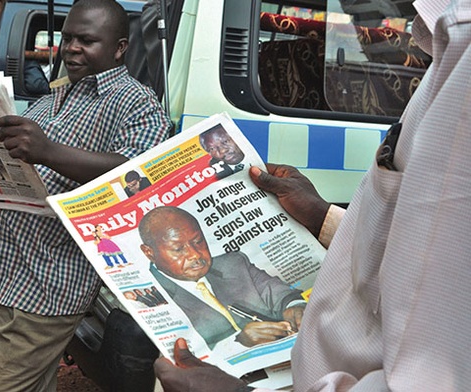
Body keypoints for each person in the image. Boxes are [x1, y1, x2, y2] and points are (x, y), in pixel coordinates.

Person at [153, 0, 471, 390]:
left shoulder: (464, 65)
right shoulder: (447, 50)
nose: (195, 254)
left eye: (195, 241)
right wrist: (323, 217)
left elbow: (432, 377)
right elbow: (416, 254)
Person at [0, 1, 171, 390]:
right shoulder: (50, 100)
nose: (71, 48)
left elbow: (139, 179)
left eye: (86, 40)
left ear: (119, 48)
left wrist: (49, 151)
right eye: (67, 38)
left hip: (48, 278)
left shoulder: (137, 103)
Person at [139, 206, 305, 349]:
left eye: (198, 241)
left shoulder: (234, 263)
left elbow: (281, 294)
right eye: (178, 249)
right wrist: (239, 343)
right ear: (149, 253)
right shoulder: (149, 299)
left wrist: (295, 307)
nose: (195, 255)